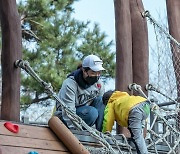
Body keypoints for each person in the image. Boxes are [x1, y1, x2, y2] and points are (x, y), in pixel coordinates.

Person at [54, 54, 105, 131]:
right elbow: (68, 111)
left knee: (101, 100)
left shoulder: (99, 84)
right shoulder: (70, 84)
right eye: (93, 73)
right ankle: (78, 129)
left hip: (85, 115)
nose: (97, 76)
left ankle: (101, 132)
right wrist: (76, 131)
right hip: (66, 118)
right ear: (84, 71)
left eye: (99, 73)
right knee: (92, 112)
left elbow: (101, 107)